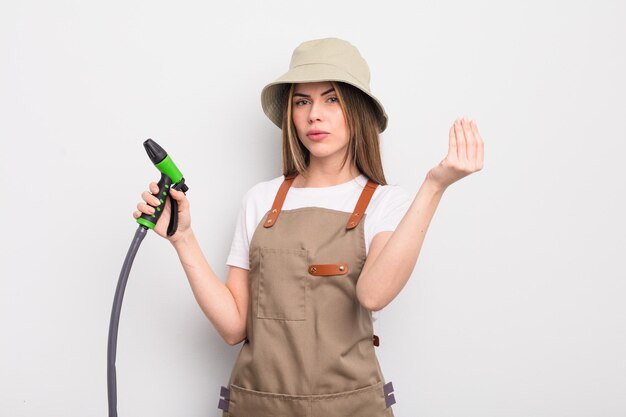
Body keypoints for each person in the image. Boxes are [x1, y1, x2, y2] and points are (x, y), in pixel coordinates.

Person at [133, 37, 484, 417]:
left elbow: (373, 294)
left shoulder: (387, 203)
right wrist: (183, 239)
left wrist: (434, 186)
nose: (314, 114)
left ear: (358, 110)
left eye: (332, 99)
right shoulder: (260, 200)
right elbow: (234, 326)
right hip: (258, 406)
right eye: (302, 101)